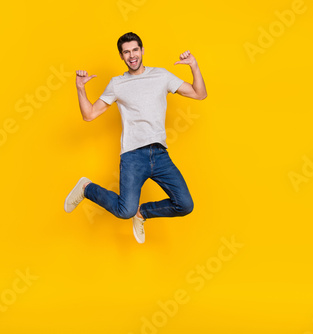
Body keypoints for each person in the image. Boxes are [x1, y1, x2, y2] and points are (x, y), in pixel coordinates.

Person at [64, 32, 207, 243]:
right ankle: (87, 188)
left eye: (135, 50)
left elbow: (199, 93)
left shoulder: (161, 76)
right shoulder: (117, 84)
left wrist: (193, 65)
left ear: (142, 50)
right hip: (132, 156)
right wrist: (80, 88)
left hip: (159, 154)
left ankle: (143, 213)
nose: (132, 55)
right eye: (126, 52)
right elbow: (89, 115)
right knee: (124, 211)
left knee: (185, 205)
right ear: (122, 56)